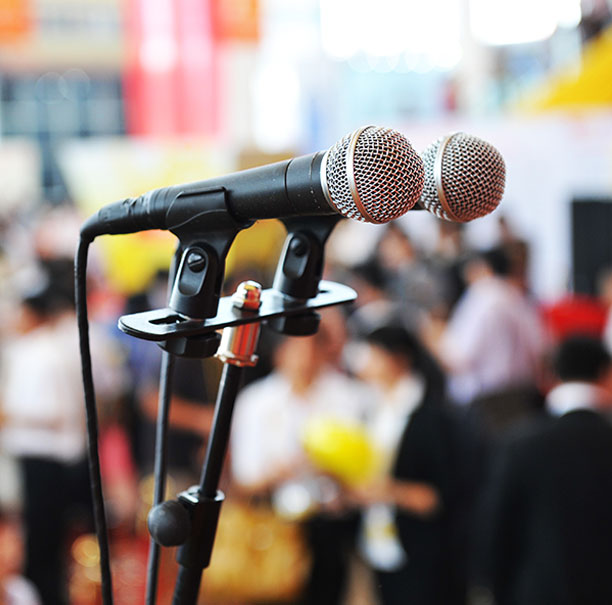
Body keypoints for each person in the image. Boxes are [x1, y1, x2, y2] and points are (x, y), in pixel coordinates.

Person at [230, 311, 372, 605]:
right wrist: (281, 471)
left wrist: (331, 470)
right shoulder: (256, 403)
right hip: (274, 526)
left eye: (312, 348)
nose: (305, 358)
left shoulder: (348, 397)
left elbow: (363, 467)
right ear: (279, 354)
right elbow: (244, 479)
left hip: (330, 525)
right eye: (296, 349)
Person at [475, 335, 612, 605]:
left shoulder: (519, 444)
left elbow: (494, 530)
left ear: (549, 377)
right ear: (606, 375)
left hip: (537, 592)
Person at [351, 324, 467, 605]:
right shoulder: (375, 409)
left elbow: (442, 494)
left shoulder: (431, 417)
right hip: (380, 542)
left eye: (374, 355)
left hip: (424, 549)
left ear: (398, 359)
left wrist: (389, 491)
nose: (366, 364)